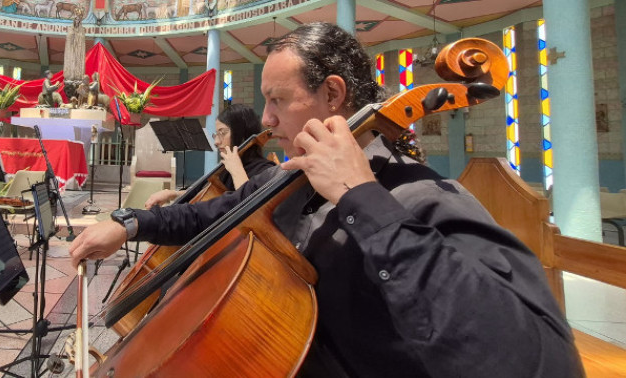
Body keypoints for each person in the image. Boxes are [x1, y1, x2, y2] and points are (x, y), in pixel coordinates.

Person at [69, 22, 583, 377]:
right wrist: (130, 222)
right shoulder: (289, 185)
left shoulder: (426, 199)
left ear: (333, 96)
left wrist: (362, 197)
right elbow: (212, 213)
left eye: (277, 100)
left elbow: (540, 362)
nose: (266, 122)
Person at [143, 103, 276, 208]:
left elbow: (253, 209)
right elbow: (207, 195)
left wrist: (237, 170)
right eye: (216, 134)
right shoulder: (226, 170)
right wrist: (172, 194)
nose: (217, 142)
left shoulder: (265, 171)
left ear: (241, 133)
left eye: (222, 133)